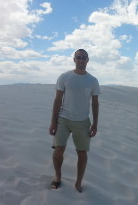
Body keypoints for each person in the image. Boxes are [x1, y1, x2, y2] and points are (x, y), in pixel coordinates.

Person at [49, 49, 100, 193]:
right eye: (79, 58)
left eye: (84, 58)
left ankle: (78, 183)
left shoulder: (93, 80)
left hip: (83, 121)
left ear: (88, 60)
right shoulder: (64, 77)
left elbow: (95, 103)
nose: (81, 60)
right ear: (74, 59)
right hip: (63, 119)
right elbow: (58, 99)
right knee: (59, 150)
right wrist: (53, 121)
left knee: (82, 153)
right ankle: (57, 177)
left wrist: (95, 124)